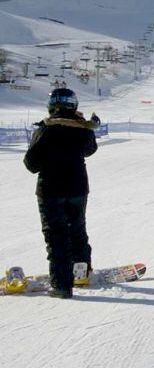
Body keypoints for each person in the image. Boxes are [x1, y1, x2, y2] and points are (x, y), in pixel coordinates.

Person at [22, 88, 100, 298]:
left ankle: (62, 285)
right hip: (77, 188)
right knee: (77, 230)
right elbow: (90, 150)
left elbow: (31, 163)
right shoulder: (82, 128)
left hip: (51, 190)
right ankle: (81, 273)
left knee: (56, 236)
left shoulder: (46, 129)